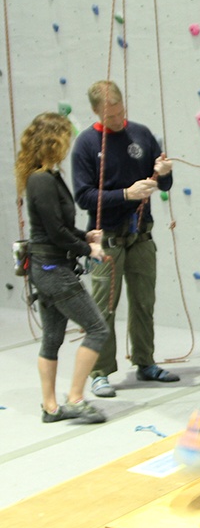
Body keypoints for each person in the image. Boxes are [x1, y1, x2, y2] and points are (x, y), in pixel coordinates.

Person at [72, 80, 179, 398]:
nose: (119, 120)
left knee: (145, 302)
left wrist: (165, 170)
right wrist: (125, 194)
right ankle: (100, 371)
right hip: (107, 239)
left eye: (121, 112)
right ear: (96, 112)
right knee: (104, 306)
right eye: (111, 115)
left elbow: (163, 184)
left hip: (142, 235)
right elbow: (83, 196)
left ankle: (145, 362)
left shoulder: (141, 134)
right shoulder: (87, 144)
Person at [16, 112, 109, 423]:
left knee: (53, 338)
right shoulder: (40, 179)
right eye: (65, 138)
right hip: (52, 269)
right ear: (53, 142)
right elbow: (54, 232)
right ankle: (76, 398)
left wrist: (85, 236)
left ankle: (51, 407)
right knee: (97, 328)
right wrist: (88, 249)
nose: (69, 144)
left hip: (49, 267)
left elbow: (56, 227)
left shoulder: (49, 176)